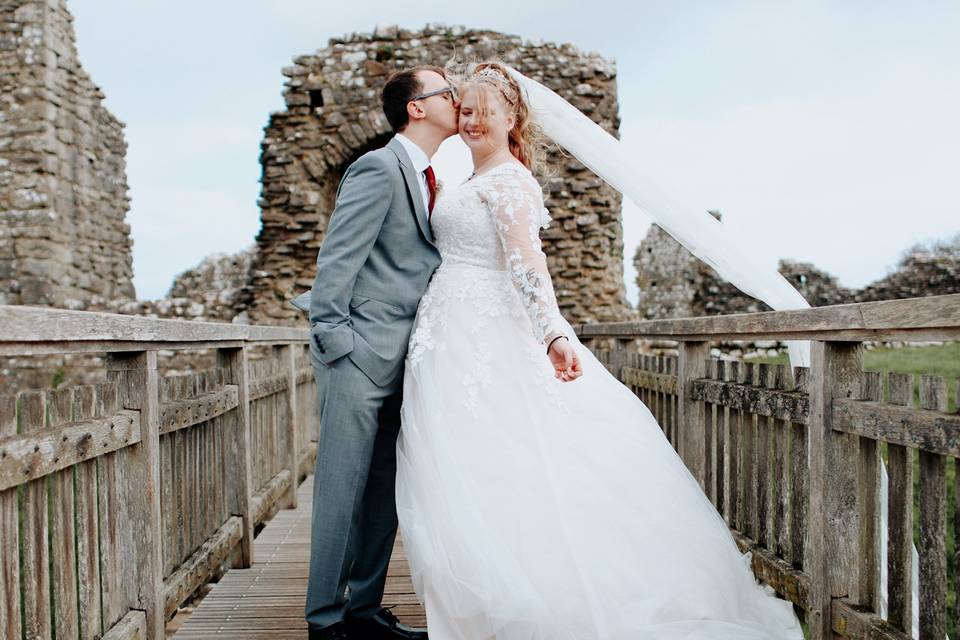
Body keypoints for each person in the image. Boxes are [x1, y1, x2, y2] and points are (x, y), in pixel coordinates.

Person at [394, 61, 805, 639]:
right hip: (452, 334)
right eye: (466, 111)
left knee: (507, 463)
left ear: (513, 118)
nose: (473, 122)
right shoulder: (471, 181)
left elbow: (526, 262)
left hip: (487, 334)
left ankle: (535, 603)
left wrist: (554, 333)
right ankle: (488, 604)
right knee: (469, 467)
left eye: (486, 112)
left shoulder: (510, 181)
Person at [298, 65, 459, 640]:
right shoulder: (377, 167)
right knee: (342, 491)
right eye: (448, 92)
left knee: (383, 492)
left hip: (407, 359)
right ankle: (325, 621)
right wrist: (340, 346)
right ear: (417, 107)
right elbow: (335, 266)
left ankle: (362, 610)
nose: (458, 99)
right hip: (359, 357)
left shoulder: (429, 175)